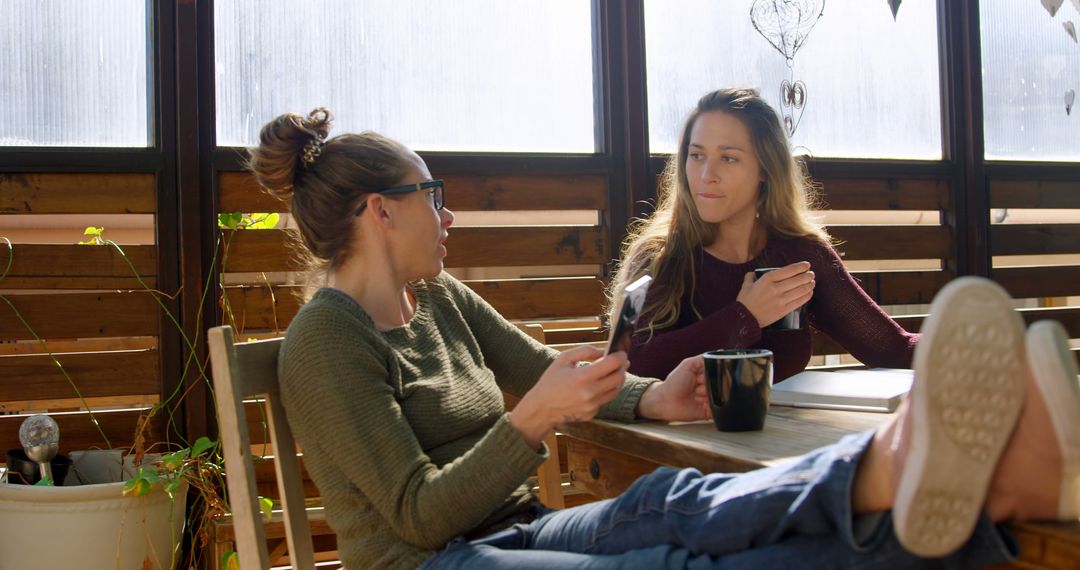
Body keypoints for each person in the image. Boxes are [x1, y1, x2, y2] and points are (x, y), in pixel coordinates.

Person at [248, 108, 1078, 569]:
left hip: (518, 529)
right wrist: (530, 420)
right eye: (434, 193)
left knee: (666, 503)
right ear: (379, 210)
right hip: (436, 564)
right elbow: (421, 517)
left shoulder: (441, 299)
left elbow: (544, 370)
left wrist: (658, 395)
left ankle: (944, 473)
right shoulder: (325, 343)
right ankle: (988, 496)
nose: (449, 212)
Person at [608, 88, 917, 381]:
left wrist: (959, 343)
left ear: (766, 169)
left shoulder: (799, 256)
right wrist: (745, 316)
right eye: (696, 155)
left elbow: (894, 350)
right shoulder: (658, 256)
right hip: (679, 436)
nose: (706, 176)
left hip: (785, 435)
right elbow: (628, 365)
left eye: (728, 158)